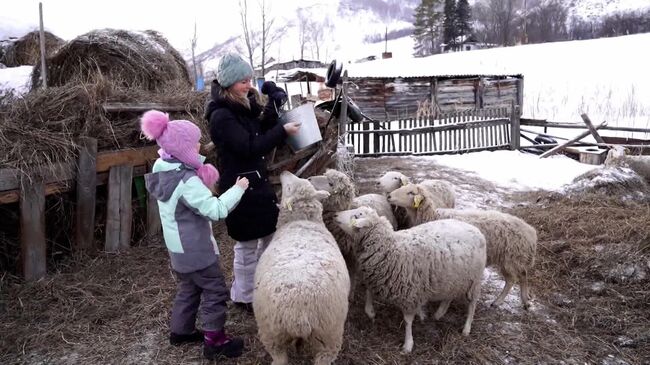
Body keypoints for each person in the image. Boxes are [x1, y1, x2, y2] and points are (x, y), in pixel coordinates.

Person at [141, 109, 250, 360]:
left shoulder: (162, 167)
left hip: (178, 250)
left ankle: (180, 331)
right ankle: (215, 341)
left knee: (188, 288)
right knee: (214, 290)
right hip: (197, 250)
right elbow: (216, 210)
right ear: (182, 149)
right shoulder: (187, 181)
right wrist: (237, 189)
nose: (200, 145)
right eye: (195, 143)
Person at [204, 53, 300, 312]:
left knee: (269, 235)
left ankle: (265, 284)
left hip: (256, 183)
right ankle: (244, 295)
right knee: (246, 245)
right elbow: (249, 146)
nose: (249, 85)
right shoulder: (222, 116)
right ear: (228, 83)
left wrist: (274, 102)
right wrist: (282, 132)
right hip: (240, 186)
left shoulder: (242, 103)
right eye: (243, 81)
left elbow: (260, 125)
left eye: (249, 80)